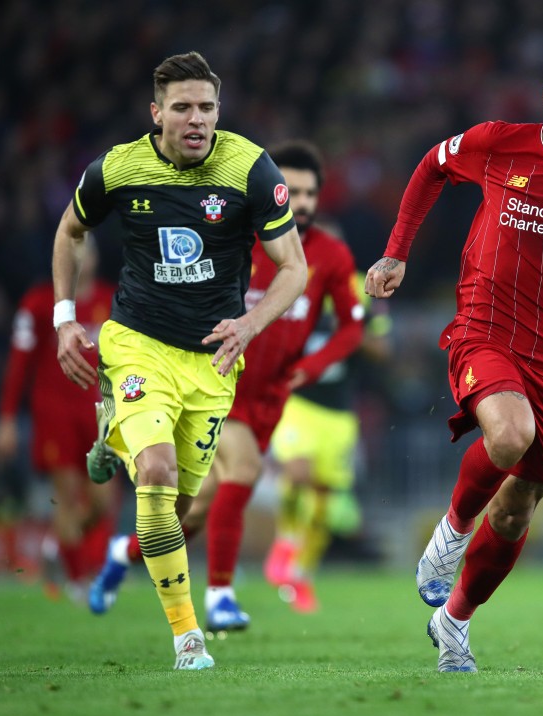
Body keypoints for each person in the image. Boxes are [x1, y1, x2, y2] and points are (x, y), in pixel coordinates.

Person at [364, 35, 543, 673]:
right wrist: (396, 250)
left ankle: (454, 622)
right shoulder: (501, 143)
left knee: (519, 509)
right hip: (485, 331)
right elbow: (432, 166)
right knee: (509, 433)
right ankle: (450, 534)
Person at [52, 52, 307, 670]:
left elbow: (293, 268)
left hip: (210, 364)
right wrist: (65, 319)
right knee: (158, 473)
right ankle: (188, 639)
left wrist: (249, 322)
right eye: (183, 107)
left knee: (185, 505)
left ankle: (115, 434)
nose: (197, 120)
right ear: (156, 112)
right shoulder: (118, 168)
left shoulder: (249, 167)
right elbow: (70, 232)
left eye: (207, 108)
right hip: (137, 341)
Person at [86, 139, 365, 632]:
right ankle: (219, 594)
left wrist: (312, 365)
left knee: (196, 509)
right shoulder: (241, 235)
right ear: (276, 192)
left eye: (309, 193)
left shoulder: (331, 256)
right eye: (291, 190)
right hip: (218, 377)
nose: (300, 202)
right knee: (247, 468)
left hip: (272, 395)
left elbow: (351, 327)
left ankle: (122, 552)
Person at [0, 239, 118, 602]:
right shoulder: (39, 303)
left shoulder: (112, 300)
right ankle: (78, 582)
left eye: (86, 249)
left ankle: (55, 543)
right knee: (66, 493)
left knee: (102, 503)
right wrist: (8, 419)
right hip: (54, 412)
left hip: (101, 414)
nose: (79, 256)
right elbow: (18, 365)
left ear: (95, 257)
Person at [265, 286, 391, 613]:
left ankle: (301, 575)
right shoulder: (295, 299)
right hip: (300, 405)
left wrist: (357, 333)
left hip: (339, 417)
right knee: (297, 472)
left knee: (324, 499)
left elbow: (382, 350)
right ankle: (285, 543)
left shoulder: (358, 303)